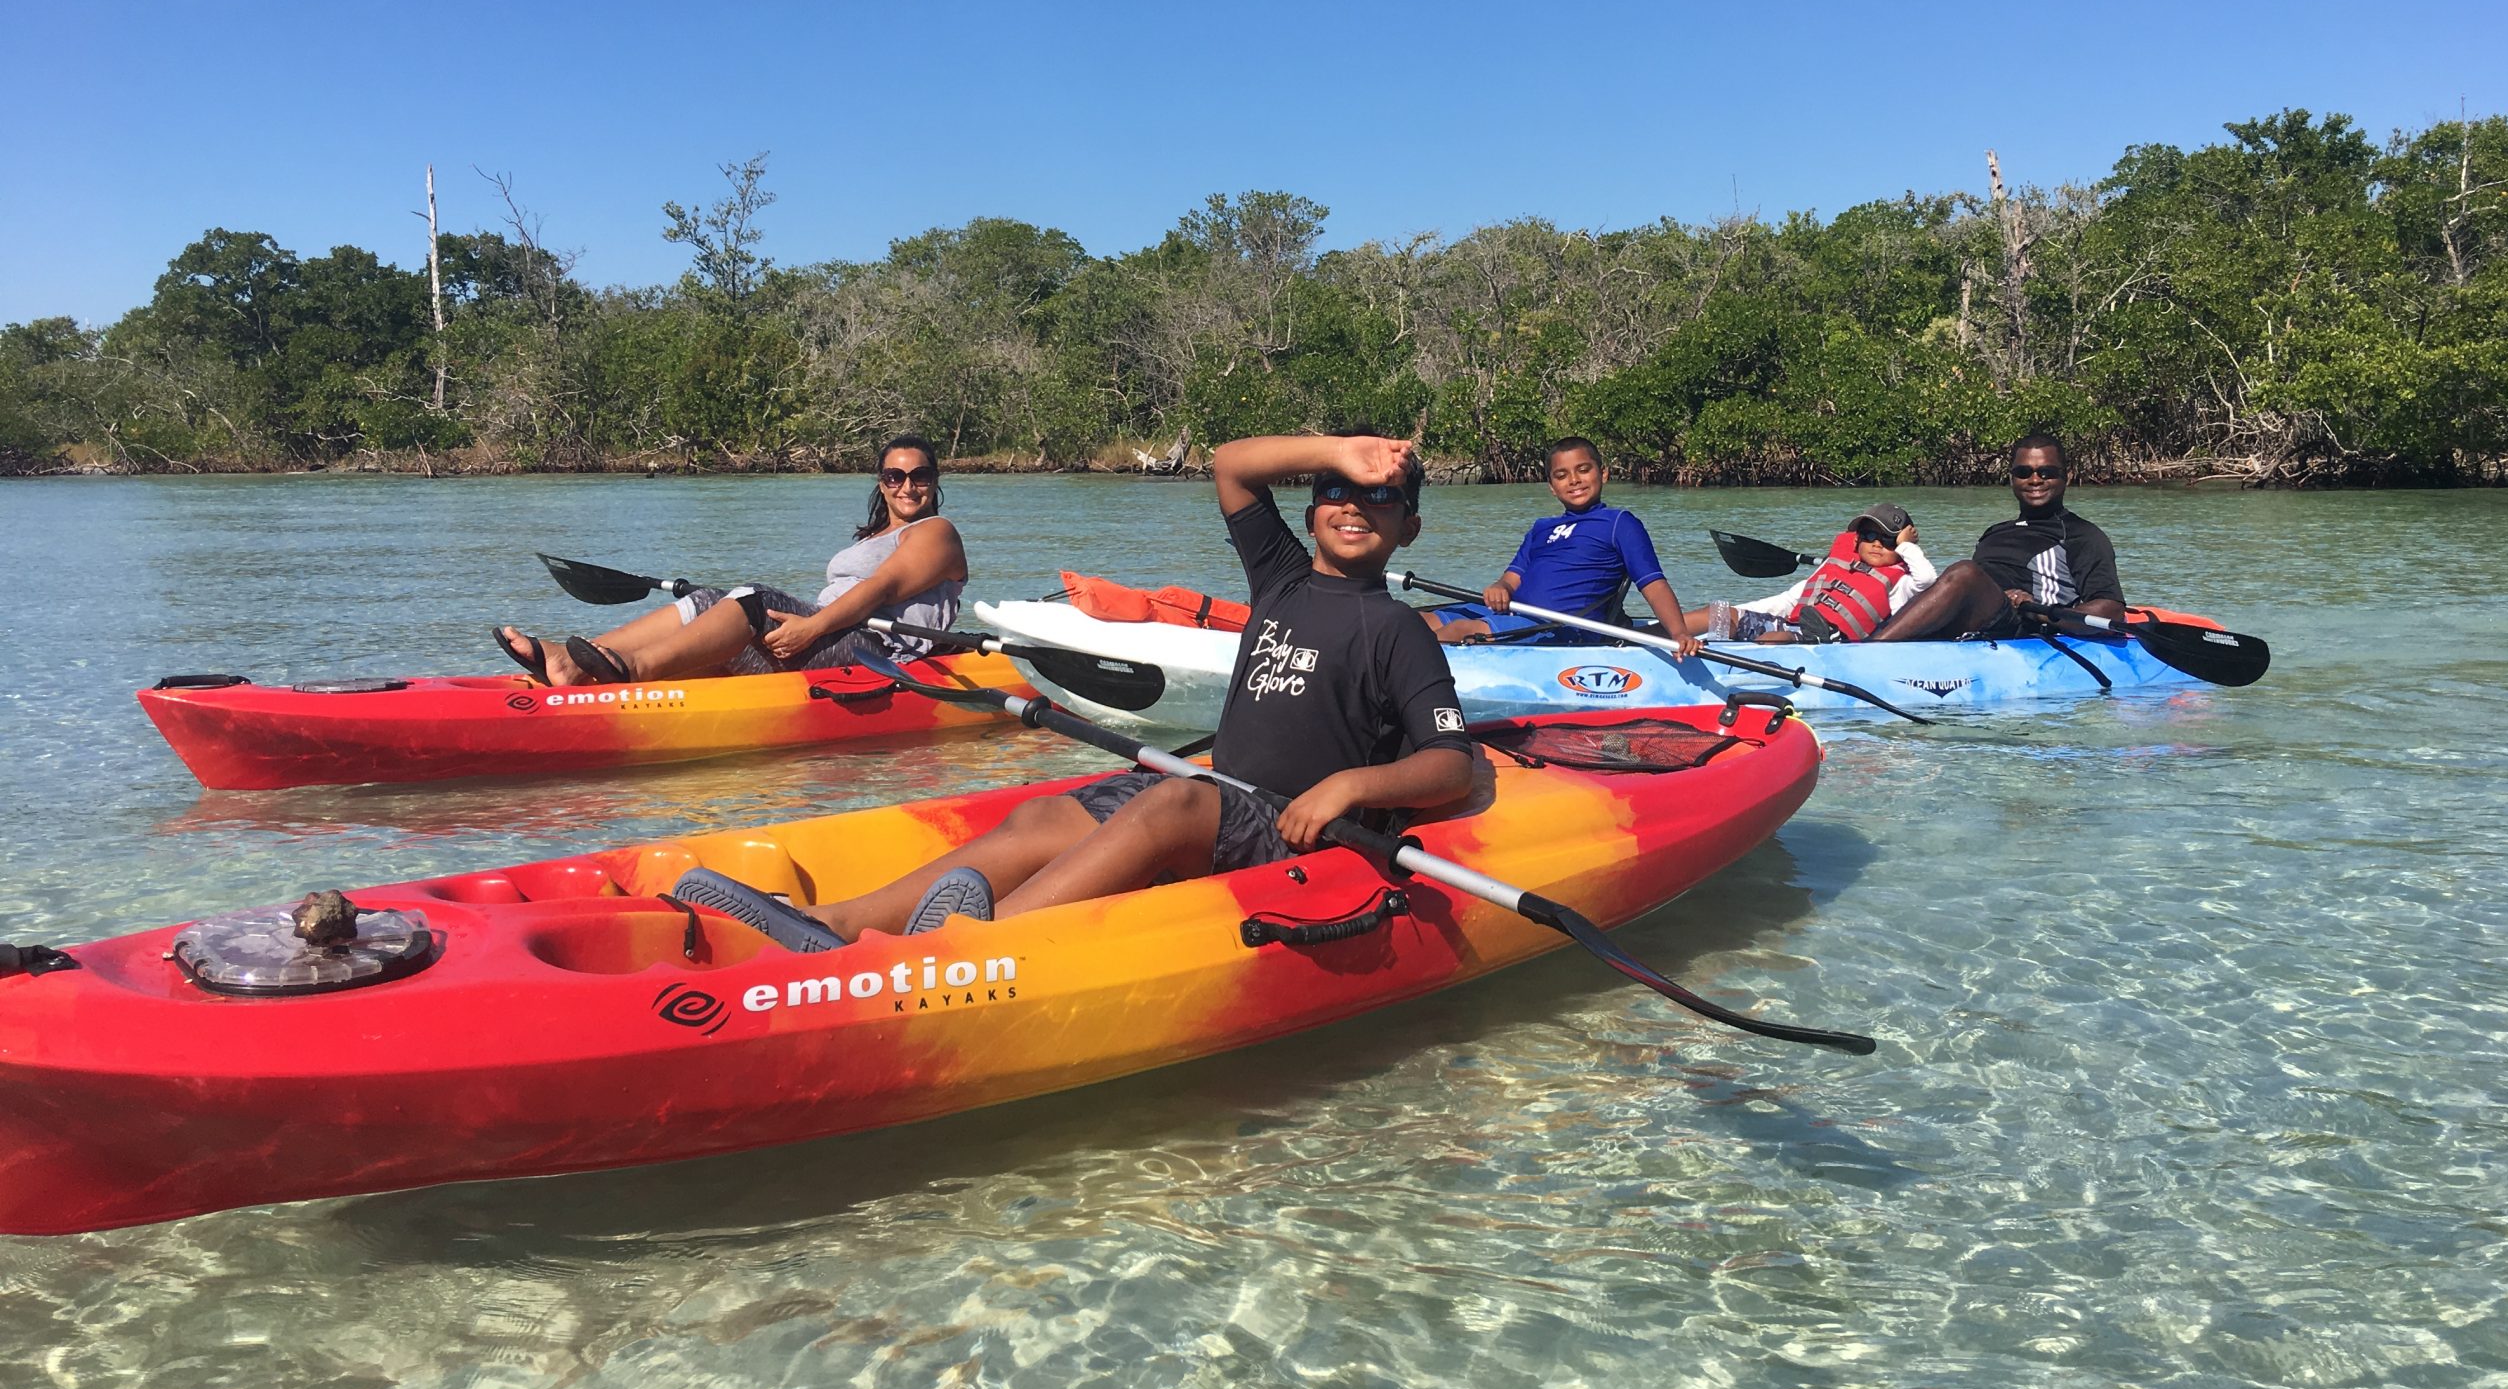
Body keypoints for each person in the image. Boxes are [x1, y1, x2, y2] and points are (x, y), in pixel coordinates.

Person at [674, 428, 1479, 947]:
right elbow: (1232, 463)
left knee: (1174, 796)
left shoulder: (1398, 631)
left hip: (1287, 832)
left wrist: (1349, 786)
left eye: (1381, 500)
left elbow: (1449, 761)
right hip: (1224, 795)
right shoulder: (1281, 582)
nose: (1353, 506)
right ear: (1310, 515)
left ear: (1408, 528)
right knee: (1049, 810)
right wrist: (1340, 451)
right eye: (1336, 494)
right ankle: (831, 923)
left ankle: (965, 950)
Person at [490, 435, 966, 689]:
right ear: (881, 481)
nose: (908, 486)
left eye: (920, 475)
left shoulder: (936, 532)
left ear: (934, 479)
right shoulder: (875, 534)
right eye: (895, 475)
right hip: (835, 636)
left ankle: (632, 668)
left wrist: (812, 627)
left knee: (755, 598)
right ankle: (575, 661)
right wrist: (813, 626)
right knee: (710, 598)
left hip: (879, 655)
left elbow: (880, 591)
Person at [1427, 436, 1701, 657]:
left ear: (1603, 473)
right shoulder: (1541, 528)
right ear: (1551, 487)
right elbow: (1513, 577)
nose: (1574, 480)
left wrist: (1678, 633)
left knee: (1458, 630)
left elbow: (1652, 583)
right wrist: (1500, 587)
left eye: (1583, 470)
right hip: (1513, 614)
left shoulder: (1619, 523)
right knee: (1419, 622)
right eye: (1562, 475)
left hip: (1561, 627)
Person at [1870, 433, 2125, 643]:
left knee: (1964, 572)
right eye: (2024, 472)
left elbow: (2110, 610)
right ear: (2012, 478)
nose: (2035, 480)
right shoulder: (1995, 532)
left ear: (2065, 477)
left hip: (2021, 626)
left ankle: (1873, 649)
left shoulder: (2082, 535)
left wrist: (2040, 612)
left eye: (2046, 472)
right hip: (1974, 618)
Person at [1681, 503, 1937, 644]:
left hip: (1829, 643)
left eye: (1888, 540)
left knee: (1772, 639)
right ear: (1857, 540)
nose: (1877, 544)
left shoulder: (1900, 583)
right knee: (1719, 615)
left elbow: (1927, 579)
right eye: (1869, 536)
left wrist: (1906, 546)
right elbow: (1790, 601)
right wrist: (1740, 611)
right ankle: (1654, 637)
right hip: (1791, 623)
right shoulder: (1836, 565)